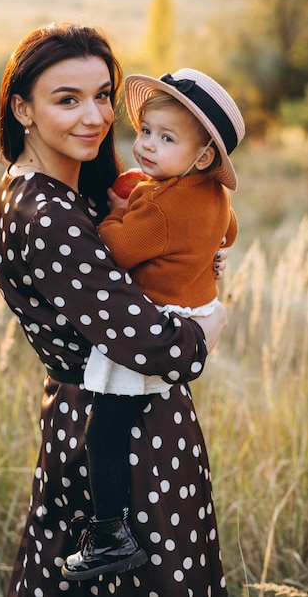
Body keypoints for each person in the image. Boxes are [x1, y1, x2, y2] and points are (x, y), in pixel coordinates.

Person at [0, 22, 230, 597]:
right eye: (67, 100)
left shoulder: (53, 191)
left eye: (102, 96)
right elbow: (152, 342)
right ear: (22, 109)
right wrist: (207, 330)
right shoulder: (47, 214)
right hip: (122, 440)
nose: (95, 117)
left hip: (111, 419)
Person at [65, 69, 244, 581]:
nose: (146, 146)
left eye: (166, 139)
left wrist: (116, 214)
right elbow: (227, 231)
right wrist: (208, 250)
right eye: (145, 131)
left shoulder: (160, 207)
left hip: (162, 324)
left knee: (106, 429)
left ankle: (110, 534)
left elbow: (115, 251)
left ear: (202, 157)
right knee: (134, 424)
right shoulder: (211, 194)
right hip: (196, 309)